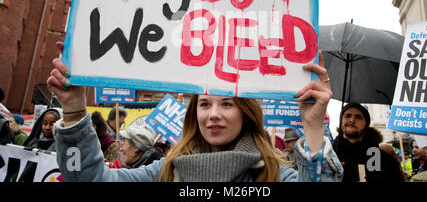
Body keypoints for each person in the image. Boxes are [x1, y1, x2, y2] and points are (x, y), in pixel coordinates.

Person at [48, 44, 343, 182]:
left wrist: (314, 128)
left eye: (226, 103)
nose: (213, 114)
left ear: (246, 114)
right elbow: (85, 179)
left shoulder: (274, 176)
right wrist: (74, 110)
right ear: (194, 114)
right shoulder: (166, 170)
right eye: (204, 104)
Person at [332, 102, 405, 182]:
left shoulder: (384, 160)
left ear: (366, 123)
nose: (352, 120)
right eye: (348, 116)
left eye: (358, 117)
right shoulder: (329, 155)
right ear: (341, 120)